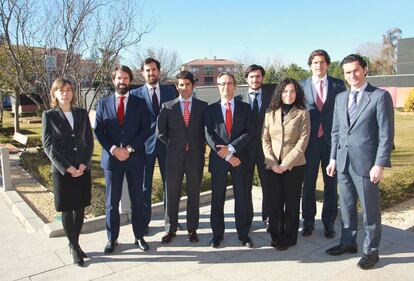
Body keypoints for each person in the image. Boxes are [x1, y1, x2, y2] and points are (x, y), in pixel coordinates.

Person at [326, 54, 394, 269]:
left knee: (370, 211)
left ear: (365, 69)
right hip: (343, 162)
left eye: (355, 70)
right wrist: (333, 159)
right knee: (345, 207)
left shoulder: (379, 96)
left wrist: (379, 164)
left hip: (366, 165)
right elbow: (336, 132)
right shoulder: (340, 98)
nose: (352, 75)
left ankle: (371, 252)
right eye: (347, 72)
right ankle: (348, 243)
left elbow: (386, 134)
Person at [95, 65, 151, 254]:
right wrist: (113, 150)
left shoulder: (140, 102)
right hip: (112, 160)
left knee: (138, 199)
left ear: (130, 80)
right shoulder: (103, 103)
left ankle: (139, 236)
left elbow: (146, 129)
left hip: (134, 158)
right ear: (114, 80)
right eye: (119, 78)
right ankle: (112, 239)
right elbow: (98, 131)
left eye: (126, 78)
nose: (122, 82)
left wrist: (127, 148)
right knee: (112, 202)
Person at [42, 78, 94, 266]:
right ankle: (73, 246)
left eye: (69, 90)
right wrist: (67, 167)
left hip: (81, 169)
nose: (66, 93)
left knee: (79, 208)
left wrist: (84, 164)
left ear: (73, 93)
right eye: (61, 90)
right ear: (55, 93)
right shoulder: (49, 116)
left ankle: (76, 243)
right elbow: (48, 146)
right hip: (63, 172)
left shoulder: (81, 113)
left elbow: (89, 140)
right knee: (66, 209)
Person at [156, 70, 208, 244]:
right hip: (174, 158)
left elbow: (206, 132)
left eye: (187, 84)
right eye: (181, 84)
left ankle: (193, 230)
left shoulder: (203, 107)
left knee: (194, 194)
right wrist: (172, 144)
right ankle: (170, 229)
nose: (184, 88)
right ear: (176, 86)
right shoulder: (168, 106)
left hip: (195, 157)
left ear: (193, 85)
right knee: (171, 194)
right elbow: (160, 132)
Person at [204, 72, 254, 248]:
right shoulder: (210, 110)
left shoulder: (245, 108)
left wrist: (231, 150)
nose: (226, 87)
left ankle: (244, 235)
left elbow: (249, 133)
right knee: (217, 199)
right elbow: (209, 135)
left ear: (235, 85)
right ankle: (217, 235)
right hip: (219, 161)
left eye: (230, 83)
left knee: (242, 198)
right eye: (223, 84)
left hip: (240, 159)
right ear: (218, 86)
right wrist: (226, 155)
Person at [300, 50, 347, 238]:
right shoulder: (302, 85)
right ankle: (308, 223)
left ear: (327, 64)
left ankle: (329, 223)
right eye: (314, 62)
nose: (318, 66)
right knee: (308, 184)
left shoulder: (338, 85)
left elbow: (343, 112)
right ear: (310, 65)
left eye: (321, 62)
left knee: (330, 184)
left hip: (331, 142)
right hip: (309, 143)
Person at [262, 78, 310, 251]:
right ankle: (276, 235)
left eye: (292, 91)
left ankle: (289, 237)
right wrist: (272, 163)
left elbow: (302, 142)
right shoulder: (270, 113)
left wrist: (286, 164)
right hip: (272, 166)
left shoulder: (303, 113)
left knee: (291, 203)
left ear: (297, 94)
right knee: (274, 203)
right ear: (279, 93)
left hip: (294, 166)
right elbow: (265, 139)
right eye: (285, 91)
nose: (288, 95)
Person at [130, 57, 176, 234]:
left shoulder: (170, 91)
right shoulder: (135, 95)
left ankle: (170, 220)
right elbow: (133, 123)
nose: (151, 73)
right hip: (144, 146)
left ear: (159, 71)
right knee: (145, 186)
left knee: (169, 183)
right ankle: (144, 221)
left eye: (154, 70)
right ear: (142, 73)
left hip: (167, 145)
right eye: (148, 70)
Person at [239, 64, 272, 229]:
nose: (255, 79)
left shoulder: (273, 98)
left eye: (258, 76)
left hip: (267, 150)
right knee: (245, 187)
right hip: (245, 151)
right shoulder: (239, 100)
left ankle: (268, 218)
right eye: (251, 76)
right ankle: (247, 218)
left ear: (262, 78)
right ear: (246, 79)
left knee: (268, 185)